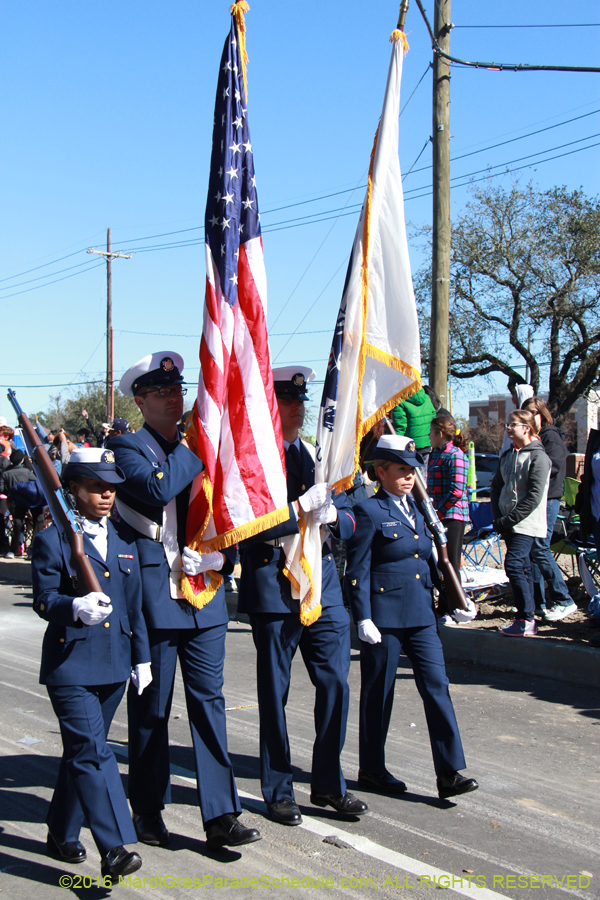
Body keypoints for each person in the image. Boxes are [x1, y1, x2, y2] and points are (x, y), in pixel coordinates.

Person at [108, 351, 260, 852]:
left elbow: (224, 508)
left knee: (209, 706)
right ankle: (147, 810)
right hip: (155, 598)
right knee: (152, 708)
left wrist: (223, 561)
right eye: (163, 392)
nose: (175, 398)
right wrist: (197, 442)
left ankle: (221, 814)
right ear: (140, 400)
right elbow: (158, 488)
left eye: (179, 391)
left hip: (205, 597)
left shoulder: (202, 450)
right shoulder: (125, 448)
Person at [237, 366, 367, 826]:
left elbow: (353, 518)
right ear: (271, 407)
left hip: (322, 580)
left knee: (335, 682)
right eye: (287, 401)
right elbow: (243, 522)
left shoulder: (317, 455)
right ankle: (278, 789)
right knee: (276, 691)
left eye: (301, 400)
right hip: (273, 578)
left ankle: (329, 783)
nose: (297, 407)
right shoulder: (254, 459)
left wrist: (333, 515)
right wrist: (298, 510)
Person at [31, 447, 150, 884]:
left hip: (115, 663)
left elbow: (134, 608)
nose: (105, 495)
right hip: (72, 665)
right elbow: (45, 599)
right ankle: (115, 846)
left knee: (79, 754)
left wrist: (143, 659)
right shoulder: (52, 540)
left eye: (111, 487)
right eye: (95, 486)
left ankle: (61, 832)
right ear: (73, 489)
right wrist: (75, 607)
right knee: (93, 752)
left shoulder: (123, 542)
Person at [344, 435, 477, 799]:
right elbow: (357, 569)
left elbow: (430, 562)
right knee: (378, 693)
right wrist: (363, 617)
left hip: (421, 615)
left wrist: (456, 599)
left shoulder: (419, 511)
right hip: (384, 618)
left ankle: (449, 772)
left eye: (412, 471)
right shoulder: (368, 512)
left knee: (437, 687)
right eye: (401, 470)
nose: (408, 477)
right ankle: (371, 768)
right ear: (381, 472)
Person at [491, 410, 551, 637]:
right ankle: (527, 618)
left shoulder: (539, 457)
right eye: (507, 424)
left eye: (513, 424)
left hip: (526, 523)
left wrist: (509, 519)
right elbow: (497, 487)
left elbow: (535, 496)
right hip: (508, 523)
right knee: (522, 568)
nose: (508, 428)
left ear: (527, 428)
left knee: (514, 564)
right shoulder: (507, 456)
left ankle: (525, 618)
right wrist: (498, 518)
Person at [521, 397, 576, 622]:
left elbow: (557, 463)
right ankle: (538, 604)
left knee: (541, 547)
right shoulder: (531, 438)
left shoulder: (550, 435)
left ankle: (564, 599)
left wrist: (532, 469)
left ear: (542, 414)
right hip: (536, 498)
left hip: (549, 497)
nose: (529, 417)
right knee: (534, 549)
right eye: (525, 413)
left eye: (533, 412)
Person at [426, 415, 469, 616]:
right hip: (438, 516)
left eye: (431, 432)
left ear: (440, 434)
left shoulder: (456, 455)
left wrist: (438, 512)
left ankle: (455, 607)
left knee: (450, 562)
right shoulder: (435, 454)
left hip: (453, 517)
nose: (428, 435)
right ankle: (443, 606)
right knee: (439, 564)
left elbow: (457, 491)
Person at [0, 449, 37, 557]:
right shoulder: (27, 472)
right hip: (28, 501)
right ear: (22, 460)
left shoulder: (5, 473)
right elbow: (35, 483)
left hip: (13, 502)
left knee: (17, 523)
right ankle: (30, 548)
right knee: (33, 522)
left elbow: (1, 488)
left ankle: (14, 549)